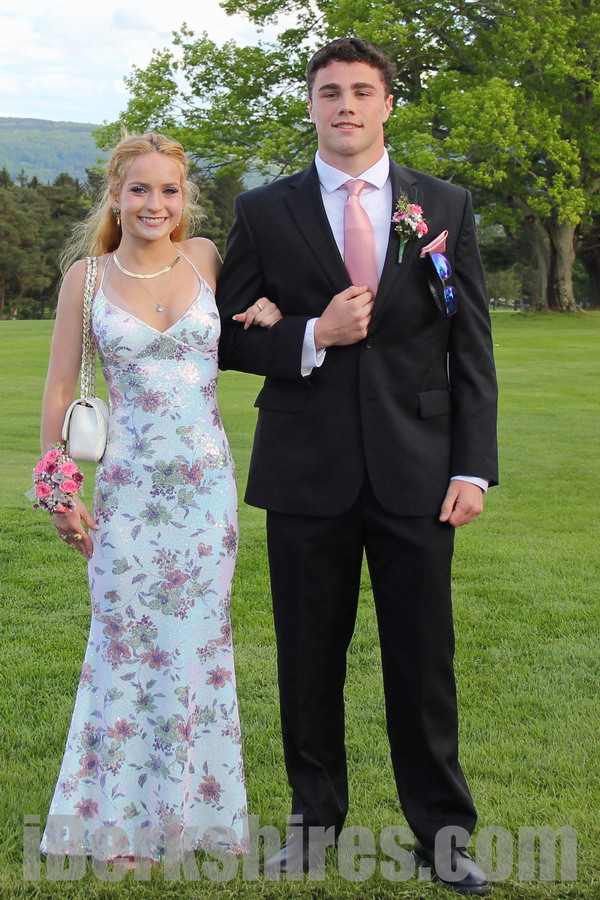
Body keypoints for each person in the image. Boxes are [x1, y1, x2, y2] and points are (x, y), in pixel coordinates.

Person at [216, 38, 498, 895]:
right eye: (331, 91)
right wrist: (312, 334)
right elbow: (223, 335)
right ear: (311, 105)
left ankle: (444, 837)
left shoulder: (443, 204)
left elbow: (471, 347)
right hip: (307, 470)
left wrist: (472, 469)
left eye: (362, 91)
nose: (346, 105)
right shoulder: (264, 209)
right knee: (307, 661)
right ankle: (312, 827)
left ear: (386, 105)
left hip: (420, 470)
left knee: (424, 663)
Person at [36, 132, 280, 864]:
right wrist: (59, 490)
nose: (154, 203)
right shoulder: (86, 278)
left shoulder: (206, 258)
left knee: (198, 647)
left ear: (184, 198)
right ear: (115, 195)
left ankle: (196, 819)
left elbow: (254, 323)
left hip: (206, 491)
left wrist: (268, 309)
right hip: (130, 491)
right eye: (139, 189)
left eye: (169, 190)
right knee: (124, 644)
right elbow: (59, 387)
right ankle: (114, 824)